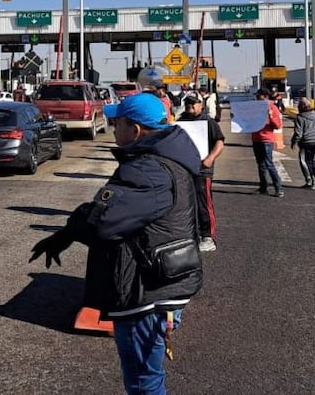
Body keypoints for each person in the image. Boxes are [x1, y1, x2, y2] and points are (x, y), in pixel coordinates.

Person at [29, 92, 202, 394]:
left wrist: (70, 230)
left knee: (142, 380)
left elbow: (105, 222)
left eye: (117, 121)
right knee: (147, 372)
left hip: (143, 288)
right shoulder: (168, 158)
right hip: (162, 276)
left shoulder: (147, 170)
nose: (112, 126)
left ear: (134, 130)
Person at [178, 95, 225, 252]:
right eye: (187, 103)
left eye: (193, 103)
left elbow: (219, 141)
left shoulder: (208, 121)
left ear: (201, 105)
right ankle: (190, 234)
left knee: (204, 203)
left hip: (202, 170)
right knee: (186, 203)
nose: (190, 106)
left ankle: (208, 236)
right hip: (185, 168)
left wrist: (210, 158)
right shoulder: (181, 121)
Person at [251, 88, 284, 197]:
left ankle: (278, 188)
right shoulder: (255, 107)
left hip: (266, 140)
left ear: (265, 96)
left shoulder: (272, 107)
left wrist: (270, 117)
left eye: (258, 95)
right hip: (256, 139)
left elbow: (278, 125)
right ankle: (263, 188)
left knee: (269, 164)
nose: (256, 97)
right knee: (261, 164)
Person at [290, 98, 315, 189]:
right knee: (312, 159)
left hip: (305, 142)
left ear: (301, 107)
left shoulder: (300, 118)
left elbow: (298, 132)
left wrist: (294, 142)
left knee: (304, 161)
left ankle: (310, 181)